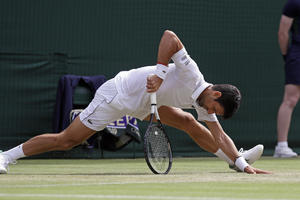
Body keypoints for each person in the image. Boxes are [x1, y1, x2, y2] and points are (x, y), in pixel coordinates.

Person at [0, 30, 271, 174]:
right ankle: (5, 156)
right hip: (117, 96)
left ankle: (232, 160)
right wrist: (160, 72)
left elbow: (219, 134)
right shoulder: (192, 74)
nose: (209, 112)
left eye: (213, 112)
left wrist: (242, 164)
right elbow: (170, 37)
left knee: (190, 121)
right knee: (67, 140)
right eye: (213, 108)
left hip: (145, 104)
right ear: (215, 94)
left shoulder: (204, 102)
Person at [274, 0, 299, 158]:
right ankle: (281, 147)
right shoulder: (294, 3)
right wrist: (286, 55)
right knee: (291, 99)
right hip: (297, 55)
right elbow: (282, 33)